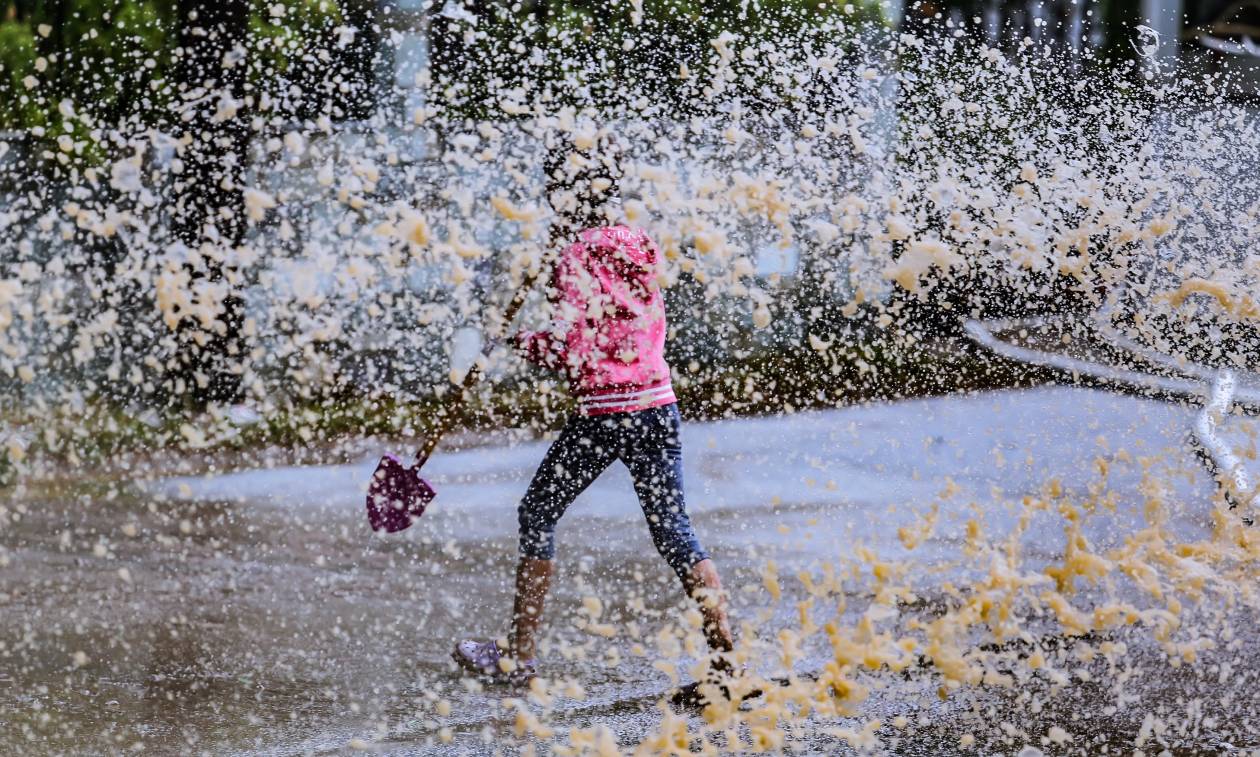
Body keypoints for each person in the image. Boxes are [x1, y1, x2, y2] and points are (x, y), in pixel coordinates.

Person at [452, 140, 735, 689]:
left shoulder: (575, 255)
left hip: (605, 415)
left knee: (537, 513)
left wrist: (510, 341)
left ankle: (519, 656)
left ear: (563, 195)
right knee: (675, 531)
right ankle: (726, 660)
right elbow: (629, 330)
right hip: (657, 405)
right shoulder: (641, 244)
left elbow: (570, 348)